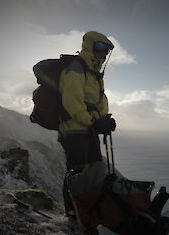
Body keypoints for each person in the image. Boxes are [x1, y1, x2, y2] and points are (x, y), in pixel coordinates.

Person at [58, 31, 116, 215]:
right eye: (100, 47)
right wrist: (93, 122)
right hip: (73, 130)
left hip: (88, 130)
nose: (103, 52)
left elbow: (98, 101)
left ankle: (90, 211)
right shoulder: (75, 69)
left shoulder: (94, 74)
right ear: (89, 46)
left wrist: (104, 120)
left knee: (94, 172)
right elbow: (72, 102)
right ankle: (73, 212)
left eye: (106, 49)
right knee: (77, 172)